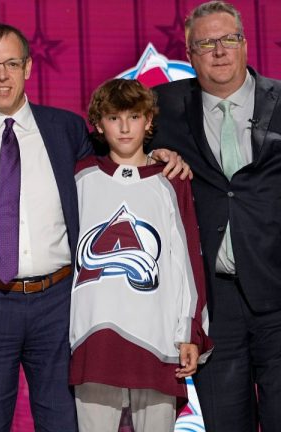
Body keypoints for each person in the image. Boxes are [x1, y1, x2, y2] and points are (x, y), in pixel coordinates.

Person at [0, 24, 189, 432]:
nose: (1, 75)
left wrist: (158, 153)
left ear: (28, 67)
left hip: (57, 305)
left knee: (63, 423)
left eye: (10, 64)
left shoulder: (66, 129)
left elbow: (120, 157)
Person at [150, 1, 281, 430]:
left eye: (228, 39)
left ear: (245, 44)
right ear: (189, 54)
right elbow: (100, 136)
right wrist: (150, 152)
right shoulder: (161, 106)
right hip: (211, 305)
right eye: (206, 43)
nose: (219, 51)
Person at [70, 78, 212, 432]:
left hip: (157, 338)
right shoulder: (80, 176)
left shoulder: (171, 180)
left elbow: (186, 264)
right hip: (93, 339)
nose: (123, 126)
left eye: (133, 116)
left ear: (149, 121)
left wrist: (189, 332)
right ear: (99, 124)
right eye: (114, 117)